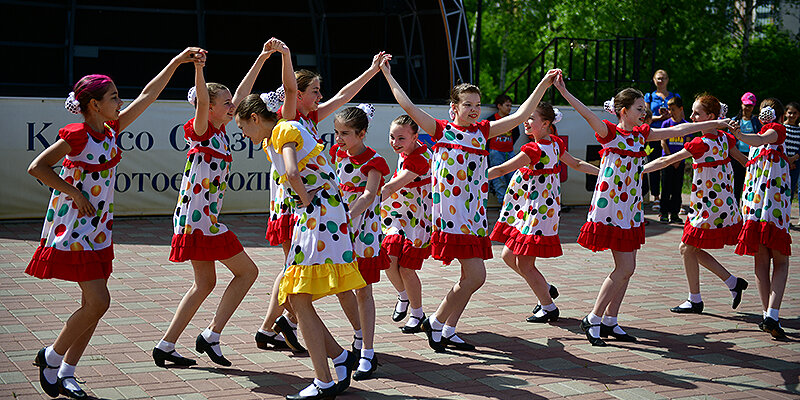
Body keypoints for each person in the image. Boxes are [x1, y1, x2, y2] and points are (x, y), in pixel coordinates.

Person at [26, 48, 201, 398]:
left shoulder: (110, 129)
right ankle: (51, 356)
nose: (120, 102)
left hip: (99, 227)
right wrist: (75, 194)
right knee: (98, 302)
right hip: (74, 226)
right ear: (93, 104)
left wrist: (177, 63)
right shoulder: (76, 135)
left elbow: (150, 94)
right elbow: (38, 167)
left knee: (94, 304)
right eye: (114, 97)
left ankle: (67, 371)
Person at [381, 57, 560, 352]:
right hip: (452, 219)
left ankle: (444, 327)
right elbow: (409, 107)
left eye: (477, 104)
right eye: (468, 104)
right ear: (454, 108)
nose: (474, 109)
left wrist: (542, 84)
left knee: (471, 277)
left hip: (474, 218)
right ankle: (438, 323)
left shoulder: (482, 132)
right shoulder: (441, 130)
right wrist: (387, 74)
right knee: (476, 276)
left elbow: (520, 116)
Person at [554, 75, 733, 347]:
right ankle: (593, 318)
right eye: (639, 108)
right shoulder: (608, 132)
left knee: (628, 268)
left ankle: (611, 321)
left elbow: (678, 131)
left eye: (645, 109)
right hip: (611, 209)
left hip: (631, 209)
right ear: (623, 111)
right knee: (624, 267)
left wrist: (716, 123)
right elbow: (584, 111)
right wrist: (563, 91)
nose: (644, 113)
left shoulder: (642, 134)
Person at [257, 52, 392, 353]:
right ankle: (274, 325)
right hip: (294, 200)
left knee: (301, 266)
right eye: (315, 91)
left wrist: (372, 70)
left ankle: (284, 323)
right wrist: (284, 55)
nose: (320, 95)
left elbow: (346, 94)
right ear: (300, 94)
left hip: (309, 201)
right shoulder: (289, 117)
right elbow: (289, 88)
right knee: (295, 266)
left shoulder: (311, 118)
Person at [236, 93, 366, 399]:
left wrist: (306, 202)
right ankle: (339, 358)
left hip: (318, 214)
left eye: (243, 127)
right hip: (321, 214)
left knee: (296, 294)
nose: (243, 135)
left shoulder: (283, 130)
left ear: (255, 119)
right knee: (296, 297)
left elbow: (293, 173)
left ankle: (324, 380)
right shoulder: (278, 134)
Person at [155, 42, 277, 368]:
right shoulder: (201, 130)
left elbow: (242, 92)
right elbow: (203, 101)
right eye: (225, 104)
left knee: (205, 283)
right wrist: (197, 68)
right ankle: (210, 335)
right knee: (248, 272)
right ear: (208, 107)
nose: (232, 106)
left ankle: (168, 344)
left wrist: (262, 57)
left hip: (201, 219)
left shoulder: (220, 131)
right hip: (198, 222)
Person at [488, 103, 599, 323]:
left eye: (530, 118)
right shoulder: (554, 144)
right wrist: (603, 172)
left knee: (524, 263)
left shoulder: (533, 150)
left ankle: (548, 306)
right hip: (531, 209)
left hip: (536, 210)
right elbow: (576, 164)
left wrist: (472, 179)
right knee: (509, 256)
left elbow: (501, 169)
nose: (526, 122)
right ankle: (544, 289)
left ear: (546, 123)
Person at [643, 94, 749, 315]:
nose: (691, 117)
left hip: (706, 206)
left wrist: (638, 169)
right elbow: (743, 160)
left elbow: (666, 160)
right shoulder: (724, 139)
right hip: (722, 205)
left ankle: (697, 299)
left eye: (696, 113)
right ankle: (730, 283)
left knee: (686, 248)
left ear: (711, 116)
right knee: (689, 248)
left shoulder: (700, 143)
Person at [329, 104, 391, 380]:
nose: (339, 139)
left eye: (345, 133)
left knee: (363, 291)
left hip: (363, 231)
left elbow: (368, 195)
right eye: (336, 132)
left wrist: (346, 215)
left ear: (362, 133)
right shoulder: (336, 155)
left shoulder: (374, 161)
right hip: (341, 231)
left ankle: (368, 351)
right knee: (342, 287)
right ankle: (358, 334)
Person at [732, 98, 792, 340]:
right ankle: (771, 314)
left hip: (757, 210)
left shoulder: (773, 133)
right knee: (779, 262)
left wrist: (739, 135)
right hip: (771, 210)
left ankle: (768, 313)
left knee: (762, 263)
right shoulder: (767, 136)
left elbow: (755, 144)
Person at [380, 115, 432, 334]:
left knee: (407, 267)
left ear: (415, 137)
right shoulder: (406, 152)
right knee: (388, 259)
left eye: (401, 138)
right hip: (399, 212)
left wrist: (361, 203)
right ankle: (403, 295)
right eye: (392, 137)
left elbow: (390, 187)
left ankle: (417, 314)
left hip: (419, 217)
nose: (395, 142)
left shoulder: (418, 159)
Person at [643, 70, 681, 212]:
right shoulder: (649, 97)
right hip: (653, 135)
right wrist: (660, 118)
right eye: (658, 79)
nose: (661, 81)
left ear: (668, 79)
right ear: (653, 80)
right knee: (653, 165)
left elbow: (680, 116)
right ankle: (656, 197)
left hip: (670, 136)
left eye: (663, 78)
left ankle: (671, 198)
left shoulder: (674, 96)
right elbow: (645, 117)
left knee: (670, 166)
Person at [658, 96, 692, 223]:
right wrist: (671, 159)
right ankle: (663, 213)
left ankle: (675, 213)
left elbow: (687, 144)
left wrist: (679, 159)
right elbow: (663, 142)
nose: (670, 112)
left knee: (677, 189)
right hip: (667, 162)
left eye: (673, 109)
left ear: (680, 109)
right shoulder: (666, 124)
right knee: (666, 188)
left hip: (680, 163)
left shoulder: (686, 125)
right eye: (669, 109)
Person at [486, 94, 522, 201]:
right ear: (499, 106)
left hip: (509, 152)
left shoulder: (511, 119)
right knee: (498, 178)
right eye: (507, 105)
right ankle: (503, 202)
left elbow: (516, 133)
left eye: (510, 106)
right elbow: (486, 135)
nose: (509, 108)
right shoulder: (492, 119)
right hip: (495, 152)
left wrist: (509, 144)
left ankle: (513, 201)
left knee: (513, 176)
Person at [731, 92, 762, 202]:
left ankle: (748, 206)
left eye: (750, 105)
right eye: (746, 105)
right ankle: (735, 208)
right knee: (736, 184)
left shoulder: (757, 122)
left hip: (752, 156)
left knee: (750, 183)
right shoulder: (734, 120)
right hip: (737, 155)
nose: (748, 108)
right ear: (741, 104)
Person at [783, 101, 800, 224]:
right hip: (782, 163)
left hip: (795, 164)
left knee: (790, 190)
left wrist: (793, 159)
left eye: (795, 113)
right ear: (785, 113)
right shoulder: (782, 128)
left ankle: (787, 216)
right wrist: (787, 160)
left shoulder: (799, 130)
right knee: (781, 190)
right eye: (790, 113)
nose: (792, 115)